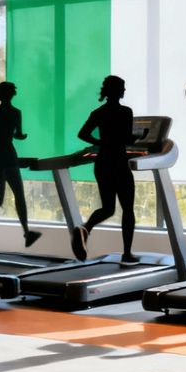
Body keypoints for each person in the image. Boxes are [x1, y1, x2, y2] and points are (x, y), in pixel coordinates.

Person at [74, 76, 137, 263]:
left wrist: (101, 142)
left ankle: (86, 229)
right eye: (123, 88)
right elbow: (126, 138)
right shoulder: (126, 112)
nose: (125, 91)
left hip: (103, 162)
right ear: (117, 91)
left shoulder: (98, 112)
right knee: (128, 209)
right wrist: (140, 138)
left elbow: (82, 133)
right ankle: (127, 253)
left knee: (108, 208)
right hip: (118, 160)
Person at [0, 82, 41, 250]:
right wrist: (19, 135)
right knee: (19, 196)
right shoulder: (16, 113)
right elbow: (18, 135)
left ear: (2, 94)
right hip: (10, 155)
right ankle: (26, 232)